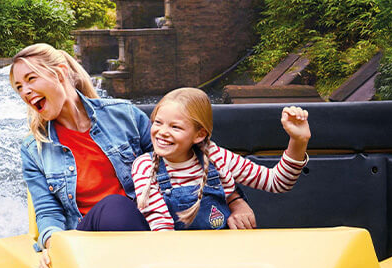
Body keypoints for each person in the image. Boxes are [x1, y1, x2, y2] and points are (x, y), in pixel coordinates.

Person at [9, 44, 255, 268]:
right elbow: (48, 212)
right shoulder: (34, 149)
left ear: (60, 72)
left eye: (31, 79)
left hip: (151, 227)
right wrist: (54, 246)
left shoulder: (125, 115)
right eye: (19, 87)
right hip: (88, 240)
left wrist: (235, 202)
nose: (25, 92)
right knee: (115, 207)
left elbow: (183, 158)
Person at [132, 88, 310, 231]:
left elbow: (277, 182)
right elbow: (162, 228)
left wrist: (298, 141)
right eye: (157, 122)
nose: (162, 132)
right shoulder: (145, 167)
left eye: (175, 127)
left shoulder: (216, 156)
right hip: (178, 256)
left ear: (199, 135)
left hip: (226, 254)